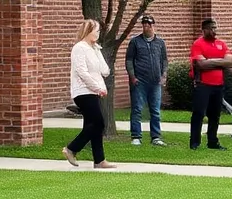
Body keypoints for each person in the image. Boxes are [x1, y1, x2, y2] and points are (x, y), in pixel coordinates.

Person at [62, 19, 113, 168]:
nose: (98, 34)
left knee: (92, 125)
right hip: (83, 91)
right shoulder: (79, 48)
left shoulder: (93, 49)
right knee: (99, 123)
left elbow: (105, 71)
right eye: (96, 31)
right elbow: (82, 72)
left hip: (94, 91)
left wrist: (97, 51)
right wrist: (97, 87)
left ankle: (99, 160)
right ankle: (71, 148)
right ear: (88, 31)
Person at [189, 18, 232, 150]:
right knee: (199, 113)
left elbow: (230, 62)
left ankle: (213, 142)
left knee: (215, 115)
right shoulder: (198, 44)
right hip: (203, 84)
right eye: (211, 28)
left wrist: (210, 61)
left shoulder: (221, 44)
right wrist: (220, 62)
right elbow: (201, 64)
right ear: (204, 30)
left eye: (215, 28)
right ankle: (195, 142)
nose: (214, 31)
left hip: (218, 85)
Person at [125, 15, 168, 146]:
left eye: (149, 25)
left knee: (155, 110)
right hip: (140, 81)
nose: (146, 27)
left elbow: (164, 60)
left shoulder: (160, 42)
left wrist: (164, 75)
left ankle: (156, 137)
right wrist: (132, 76)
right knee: (137, 109)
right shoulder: (135, 42)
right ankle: (136, 136)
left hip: (155, 82)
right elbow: (129, 60)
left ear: (153, 26)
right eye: (144, 25)